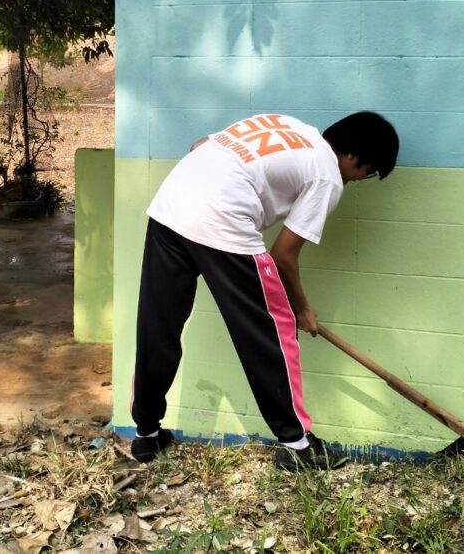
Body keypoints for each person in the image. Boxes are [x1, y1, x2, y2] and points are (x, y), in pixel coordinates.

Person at [130, 111, 399, 471]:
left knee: (158, 325)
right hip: (223, 219)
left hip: (171, 206)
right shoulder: (327, 175)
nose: (358, 180)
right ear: (354, 158)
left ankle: (146, 435)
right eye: (367, 173)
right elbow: (283, 256)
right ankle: (297, 446)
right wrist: (302, 309)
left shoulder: (284, 125)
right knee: (271, 332)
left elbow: (199, 146)